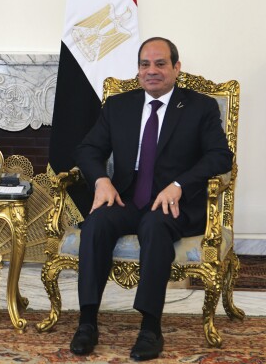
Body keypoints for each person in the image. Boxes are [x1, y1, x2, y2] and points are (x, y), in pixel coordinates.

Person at [70, 37, 233, 360]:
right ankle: (87, 321)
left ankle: (150, 327)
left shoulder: (200, 107)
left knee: (155, 225)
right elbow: (88, 150)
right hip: (127, 198)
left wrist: (179, 184)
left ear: (176, 67)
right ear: (138, 70)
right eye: (145, 64)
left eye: (160, 64)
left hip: (174, 204)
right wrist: (102, 180)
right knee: (96, 223)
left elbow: (220, 157)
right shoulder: (119, 106)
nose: (152, 71)